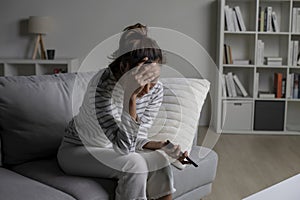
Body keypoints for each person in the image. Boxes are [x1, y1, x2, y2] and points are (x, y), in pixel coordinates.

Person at [57, 23, 190, 200]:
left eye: (154, 78)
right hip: (78, 149)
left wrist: (160, 145)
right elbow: (124, 148)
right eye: (144, 78)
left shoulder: (156, 90)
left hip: (112, 149)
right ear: (125, 67)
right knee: (135, 164)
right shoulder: (102, 87)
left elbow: (134, 139)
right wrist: (130, 97)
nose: (149, 89)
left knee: (160, 161)